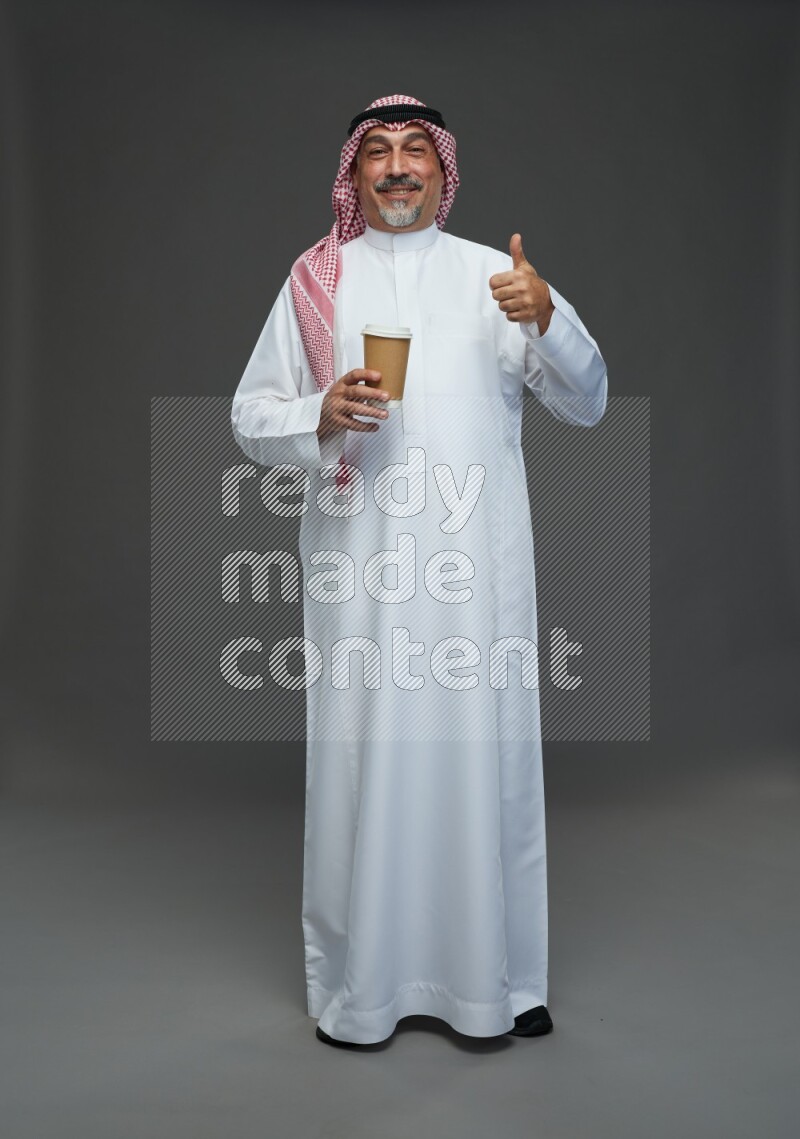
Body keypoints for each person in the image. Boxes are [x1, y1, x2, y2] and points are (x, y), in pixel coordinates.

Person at [230, 94, 607, 1047]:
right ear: (354, 177)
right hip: (359, 580)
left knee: (488, 767)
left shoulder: (497, 279)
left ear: (443, 170)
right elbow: (250, 416)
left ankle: (501, 983)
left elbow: (588, 401)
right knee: (366, 765)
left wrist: (551, 315)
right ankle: (367, 988)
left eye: (414, 152)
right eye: (377, 155)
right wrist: (320, 411)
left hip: (475, 582)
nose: (397, 168)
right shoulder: (317, 280)